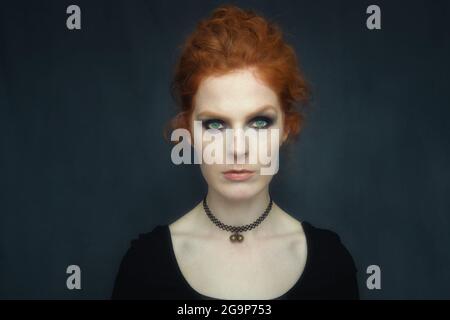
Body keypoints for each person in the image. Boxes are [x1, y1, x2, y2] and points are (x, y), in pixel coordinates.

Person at [112, 4, 359, 300]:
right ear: (188, 131)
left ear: (286, 128)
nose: (238, 149)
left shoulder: (332, 266)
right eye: (216, 124)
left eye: (259, 122)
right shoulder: (144, 268)